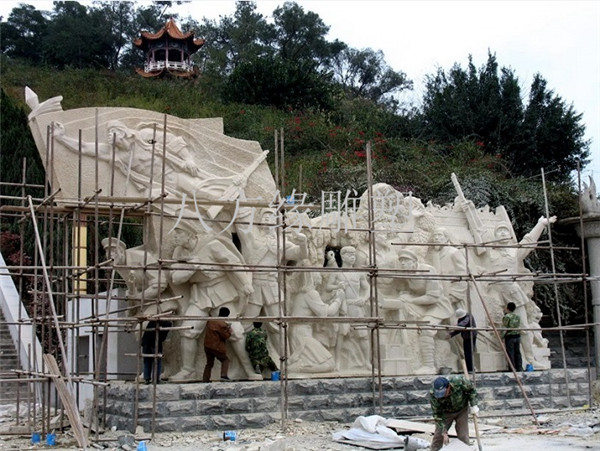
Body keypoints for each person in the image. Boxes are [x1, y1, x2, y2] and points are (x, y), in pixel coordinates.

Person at [429, 375, 479, 451]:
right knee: (438, 436)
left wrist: (474, 404)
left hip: (461, 410)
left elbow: (471, 390)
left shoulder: (459, 381)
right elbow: (437, 414)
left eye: (443, 393)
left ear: (448, 387)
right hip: (446, 413)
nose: (441, 396)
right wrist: (444, 432)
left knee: (463, 436)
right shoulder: (433, 394)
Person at [202, 307, 232, 382]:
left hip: (207, 345)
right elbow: (226, 336)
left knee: (209, 363)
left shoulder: (211, 321)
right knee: (225, 360)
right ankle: (223, 376)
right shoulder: (222, 324)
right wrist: (229, 330)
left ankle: (205, 379)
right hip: (216, 346)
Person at [141, 320, 172, 384]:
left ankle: (147, 379)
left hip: (146, 344)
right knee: (157, 362)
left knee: (147, 361)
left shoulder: (153, 321)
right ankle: (156, 379)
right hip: (154, 344)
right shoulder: (166, 323)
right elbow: (163, 337)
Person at [502, 302, 522, 371]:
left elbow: (505, 328)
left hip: (510, 336)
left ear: (507, 308)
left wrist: (501, 337)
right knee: (517, 352)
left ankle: (512, 368)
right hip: (517, 335)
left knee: (510, 353)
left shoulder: (507, 317)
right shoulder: (517, 316)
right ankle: (519, 367)